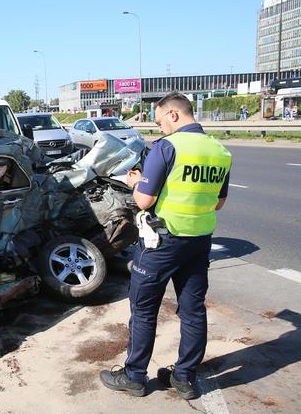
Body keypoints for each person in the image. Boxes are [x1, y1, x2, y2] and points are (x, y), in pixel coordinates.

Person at [99, 92, 232, 400]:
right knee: (193, 310)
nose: (159, 128)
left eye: (159, 121)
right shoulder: (220, 152)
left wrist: (136, 182)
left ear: (174, 115)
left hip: (162, 242)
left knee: (144, 309)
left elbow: (144, 200)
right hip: (199, 243)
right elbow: (219, 203)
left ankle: (134, 377)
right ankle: (184, 378)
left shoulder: (167, 147)